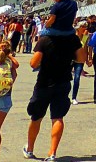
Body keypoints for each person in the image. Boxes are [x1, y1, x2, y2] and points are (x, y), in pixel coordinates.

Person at [24, 27, 86, 162]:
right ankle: (52, 153)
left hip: (44, 82)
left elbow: (33, 63)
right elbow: (81, 59)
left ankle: (29, 149)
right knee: (58, 117)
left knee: (36, 117)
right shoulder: (73, 40)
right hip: (63, 81)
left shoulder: (45, 40)